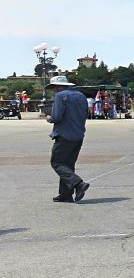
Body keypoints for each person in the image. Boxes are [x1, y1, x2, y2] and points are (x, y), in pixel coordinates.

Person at [45, 75, 90, 203]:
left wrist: (49, 118)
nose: (54, 90)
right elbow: (86, 113)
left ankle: (78, 184)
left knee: (57, 162)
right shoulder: (81, 96)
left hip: (64, 134)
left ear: (57, 87)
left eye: (54, 88)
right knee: (68, 164)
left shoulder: (60, 96)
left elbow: (57, 116)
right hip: (78, 134)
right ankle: (66, 194)